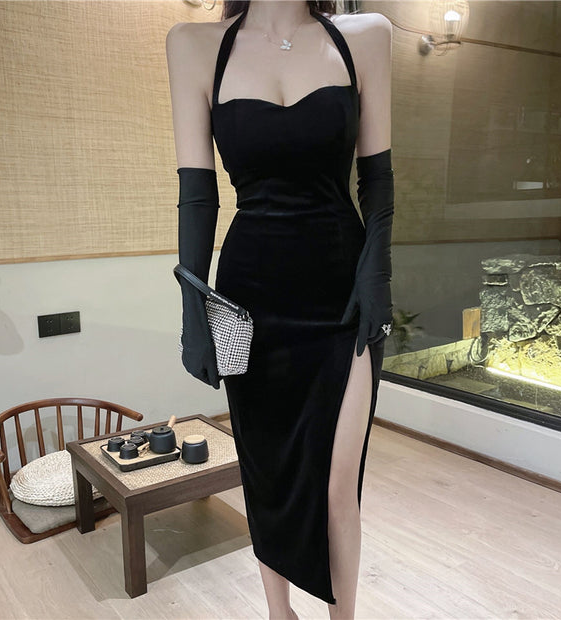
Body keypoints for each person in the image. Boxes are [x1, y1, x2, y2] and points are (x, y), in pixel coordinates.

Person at [166, 0, 394, 617]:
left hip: (342, 294)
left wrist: (377, 275)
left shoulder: (365, 36)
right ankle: (279, 612)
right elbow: (197, 195)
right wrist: (193, 310)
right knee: (265, 469)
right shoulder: (193, 45)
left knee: (338, 482)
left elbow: (377, 181)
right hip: (251, 301)